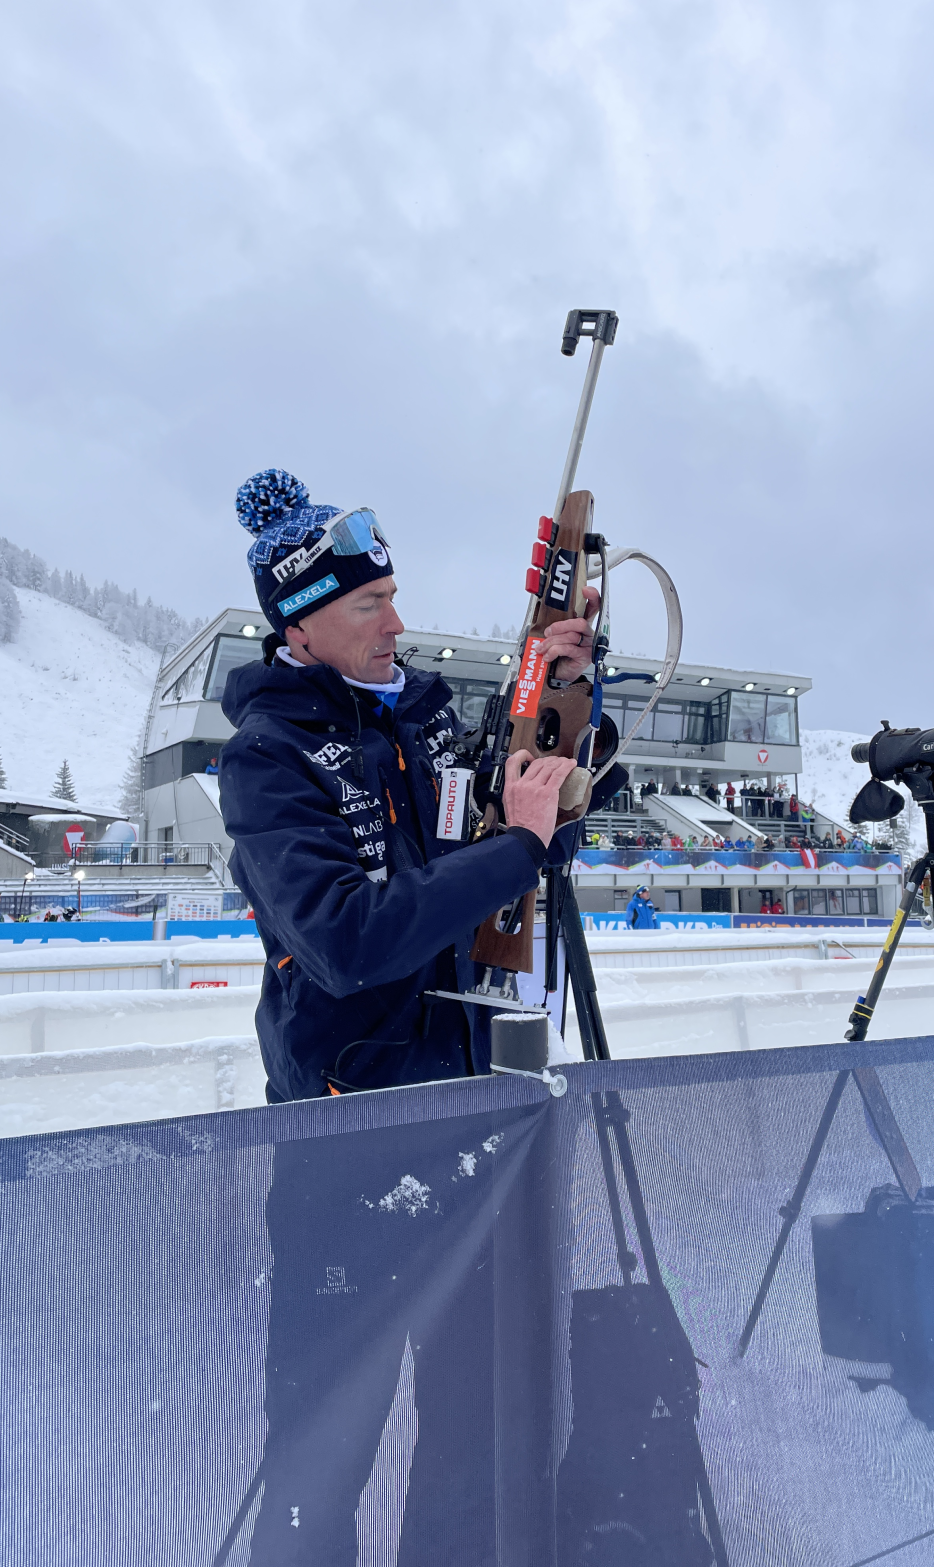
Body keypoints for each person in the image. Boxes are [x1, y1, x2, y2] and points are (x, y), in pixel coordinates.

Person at [218, 469, 627, 1562]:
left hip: (473, 1125)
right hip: (345, 1144)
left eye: (395, 592)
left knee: (474, 1435)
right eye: (368, 604)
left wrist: (567, 714)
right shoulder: (268, 758)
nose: (398, 621)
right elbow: (347, 942)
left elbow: (537, 822)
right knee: (321, 1453)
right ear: (300, 626)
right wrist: (517, 846)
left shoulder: (433, 714)